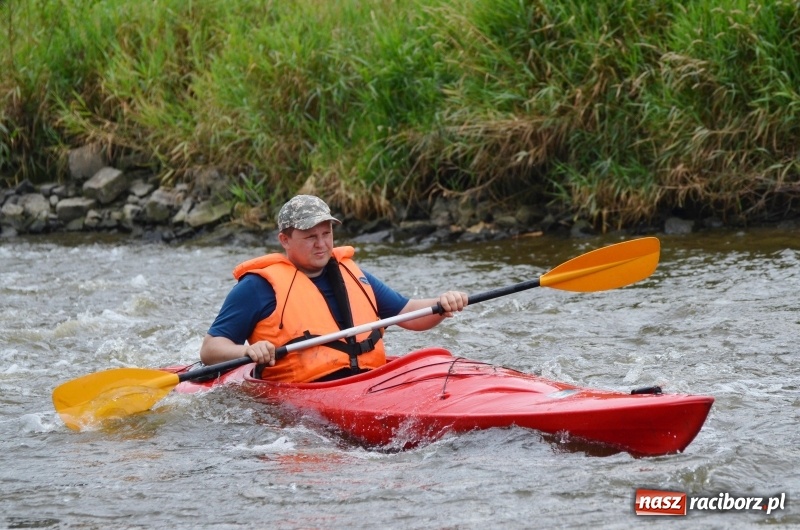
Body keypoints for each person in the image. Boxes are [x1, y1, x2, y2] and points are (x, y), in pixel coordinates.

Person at [200, 194, 468, 382]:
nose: (321, 244)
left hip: (364, 381)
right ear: (285, 240)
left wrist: (443, 304)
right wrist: (246, 351)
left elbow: (409, 313)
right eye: (310, 237)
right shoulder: (257, 287)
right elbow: (211, 349)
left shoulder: (352, 276)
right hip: (300, 391)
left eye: (326, 234)